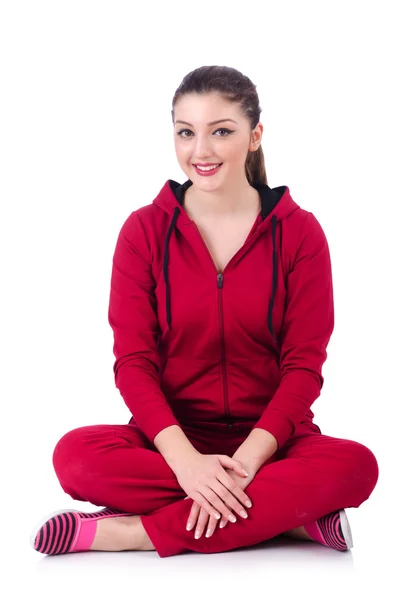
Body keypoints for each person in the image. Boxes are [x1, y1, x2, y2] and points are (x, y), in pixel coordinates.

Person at [30, 65, 379, 559]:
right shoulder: (143, 231)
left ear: (255, 136)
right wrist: (187, 463)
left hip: (274, 441)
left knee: (357, 466)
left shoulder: (300, 233)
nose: (201, 151)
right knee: (75, 457)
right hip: (172, 438)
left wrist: (252, 458)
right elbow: (133, 362)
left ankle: (133, 533)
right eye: (186, 133)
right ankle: (288, 520)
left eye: (221, 132)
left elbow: (304, 365)